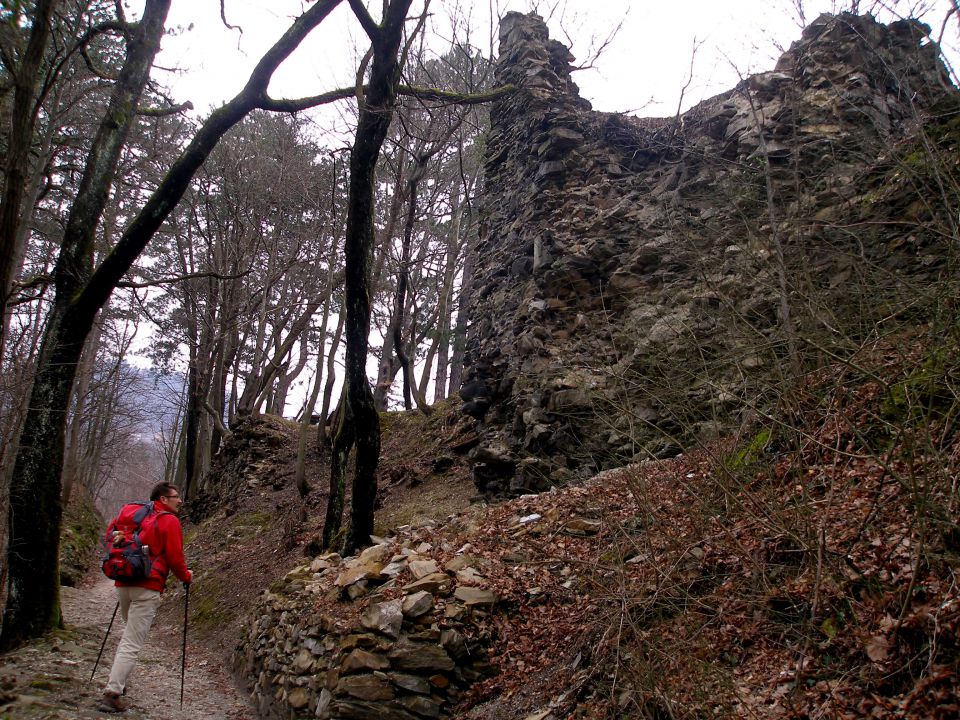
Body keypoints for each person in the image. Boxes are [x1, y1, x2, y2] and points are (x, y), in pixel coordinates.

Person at [98, 482, 192, 714]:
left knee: (127, 636)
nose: (180, 501)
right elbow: (174, 556)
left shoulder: (132, 515)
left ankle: (119, 681)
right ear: (162, 499)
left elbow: (110, 536)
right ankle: (112, 693)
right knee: (131, 642)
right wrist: (186, 577)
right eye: (176, 496)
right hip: (147, 587)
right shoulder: (168, 521)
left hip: (123, 583)